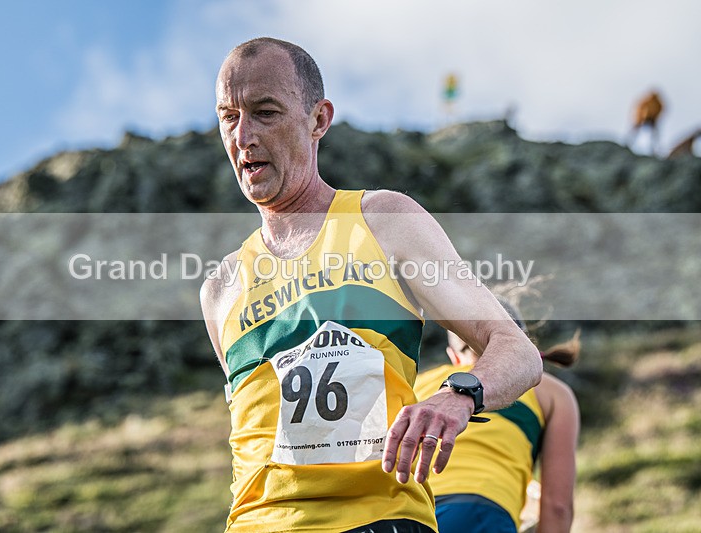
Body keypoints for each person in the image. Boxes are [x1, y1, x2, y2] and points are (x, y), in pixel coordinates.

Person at [199, 37, 542, 533]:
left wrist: (458, 396)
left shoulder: (383, 220)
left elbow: (517, 351)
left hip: (377, 518)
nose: (243, 135)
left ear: (318, 119)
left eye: (266, 112)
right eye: (228, 116)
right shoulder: (220, 288)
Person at [414, 297, 580, 533]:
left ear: (454, 356)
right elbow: (557, 507)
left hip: (412, 511)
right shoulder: (551, 393)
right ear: (524, 346)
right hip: (482, 512)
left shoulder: (418, 384)